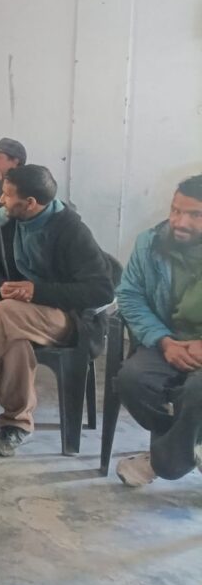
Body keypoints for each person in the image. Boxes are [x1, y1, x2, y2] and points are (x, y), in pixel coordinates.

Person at [0, 164, 114, 456]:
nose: (1, 200)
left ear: (30, 203)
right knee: (15, 340)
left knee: (7, 313)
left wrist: (37, 291)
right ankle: (17, 424)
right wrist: (3, 285)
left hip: (70, 319)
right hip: (21, 316)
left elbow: (101, 290)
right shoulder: (7, 222)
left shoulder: (71, 230)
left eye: (7, 195)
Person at [114, 175, 202, 487]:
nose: (180, 222)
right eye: (176, 210)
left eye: (195, 214)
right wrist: (164, 342)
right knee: (132, 380)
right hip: (166, 338)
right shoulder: (150, 243)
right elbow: (129, 296)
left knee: (197, 390)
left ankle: (163, 462)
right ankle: (189, 446)